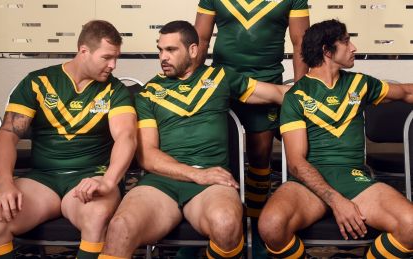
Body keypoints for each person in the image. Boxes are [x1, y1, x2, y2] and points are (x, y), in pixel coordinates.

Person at [98, 20, 289, 259]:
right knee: (119, 227)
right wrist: (195, 174)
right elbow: (146, 154)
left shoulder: (220, 77)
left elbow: (277, 93)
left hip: (212, 182)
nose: (163, 57)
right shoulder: (148, 93)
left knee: (227, 224)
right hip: (163, 182)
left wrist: (323, 92)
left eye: (171, 50)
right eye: (160, 50)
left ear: (193, 50)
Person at [0, 20, 137, 259]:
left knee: (97, 217)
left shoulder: (116, 91)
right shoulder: (38, 83)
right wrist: (6, 183)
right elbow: (8, 135)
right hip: (43, 180)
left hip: (91, 176)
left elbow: (126, 136)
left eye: (117, 58)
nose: (113, 65)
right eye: (107, 57)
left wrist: (108, 181)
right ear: (84, 51)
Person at [258, 19, 413, 258]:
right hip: (309, 183)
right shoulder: (297, 97)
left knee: (411, 225)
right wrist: (336, 200)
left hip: (355, 179)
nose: (354, 47)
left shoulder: (359, 84)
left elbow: (405, 91)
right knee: (271, 226)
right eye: (346, 41)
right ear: (327, 50)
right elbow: (297, 163)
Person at [194, 2, 310, 257]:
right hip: (221, 81)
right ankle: (209, 231)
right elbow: (200, 38)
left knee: (260, 157)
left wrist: (301, 91)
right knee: (214, 156)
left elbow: (300, 41)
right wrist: (194, 80)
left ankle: (257, 227)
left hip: (266, 82)